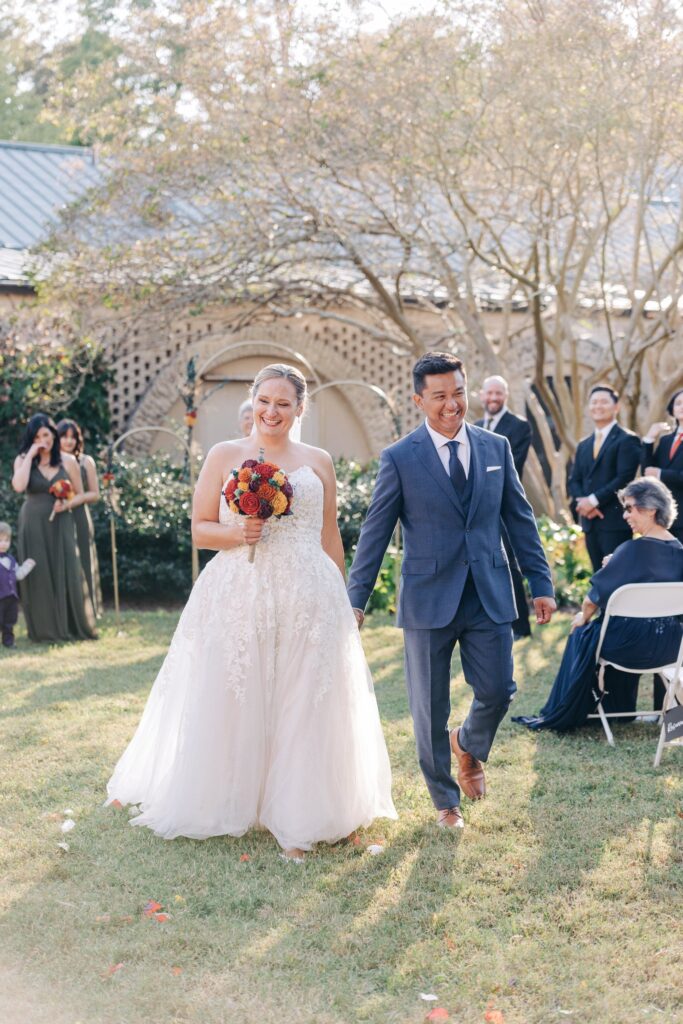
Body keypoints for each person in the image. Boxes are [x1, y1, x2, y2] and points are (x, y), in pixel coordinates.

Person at [106, 363, 396, 861]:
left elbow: (328, 536)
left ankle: (301, 816)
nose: (272, 411)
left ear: (300, 408)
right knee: (238, 693)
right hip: (241, 592)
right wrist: (238, 532)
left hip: (311, 596)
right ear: (253, 400)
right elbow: (200, 530)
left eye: (284, 403)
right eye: (265, 401)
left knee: (305, 698)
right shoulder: (224, 455)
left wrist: (347, 601)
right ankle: (232, 796)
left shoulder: (319, 460)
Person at [347, 352, 556, 831]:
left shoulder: (496, 447)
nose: (451, 404)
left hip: (488, 591)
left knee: (500, 689)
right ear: (420, 399)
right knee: (429, 705)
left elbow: (519, 520)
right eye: (439, 396)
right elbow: (375, 532)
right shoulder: (399, 458)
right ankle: (445, 800)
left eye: (458, 392)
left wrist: (540, 583)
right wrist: (355, 598)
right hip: (427, 598)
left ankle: (467, 744)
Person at [513, 478, 683, 732]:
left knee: (582, 630)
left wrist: (582, 616)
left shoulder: (631, 551)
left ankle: (585, 709)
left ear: (650, 510)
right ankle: (656, 720)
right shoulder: (679, 551)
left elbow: (592, 600)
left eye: (629, 508)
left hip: (624, 649)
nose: (625, 515)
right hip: (670, 648)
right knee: (617, 628)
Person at [11, 413, 97, 643]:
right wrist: (30, 454)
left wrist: (66, 503)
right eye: (37, 436)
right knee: (38, 572)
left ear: (52, 434)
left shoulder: (67, 461)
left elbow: (80, 494)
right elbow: (19, 486)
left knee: (67, 567)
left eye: (46, 434)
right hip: (32, 523)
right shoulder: (22, 459)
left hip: (62, 521)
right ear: (31, 438)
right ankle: (43, 629)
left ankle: (71, 625)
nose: (43, 440)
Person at [476, 374, 533, 639]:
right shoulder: (474, 426)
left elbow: (511, 469)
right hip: (476, 509)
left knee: (509, 563)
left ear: (506, 396)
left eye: (498, 393)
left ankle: (520, 626)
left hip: (503, 506)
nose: (493, 398)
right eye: (489, 393)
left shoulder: (519, 426)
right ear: (481, 395)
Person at [568, 385, 641, 572]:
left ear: (616, 407)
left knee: (617, 575)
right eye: (594, 402)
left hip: (614, 521)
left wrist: (593, 501)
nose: (598, 406)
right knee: (597, 578)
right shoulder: (584, 444)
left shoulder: (627, 440)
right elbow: (574, 480)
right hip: (590, 523)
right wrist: (584, 504)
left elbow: (624, 478)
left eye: (604, 401)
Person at [57, 418, 103, 617]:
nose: (68, 441)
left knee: (84, 560)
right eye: (64, 437)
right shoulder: (52, 462)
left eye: (72, 437)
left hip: (79, 515)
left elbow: (94, 494)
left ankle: (88, 610)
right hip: (58, 517)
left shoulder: (86, 461)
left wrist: (73, 501)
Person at [642, 388, 683, 543]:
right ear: (672, 409)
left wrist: (660, 474)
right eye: (678, 403)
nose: (682, 406)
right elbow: (647, 471)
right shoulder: (666, 440)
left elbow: (656, 472)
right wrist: (649, 440)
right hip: (664, 516)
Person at [0, 522, 35, 648]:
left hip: (11, 597)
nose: (3, 544)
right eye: (0, 540)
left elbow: (18, 575)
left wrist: (27, 566)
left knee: (9, 621)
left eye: (6, 540)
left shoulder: (11, 560)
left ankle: (8, 642)